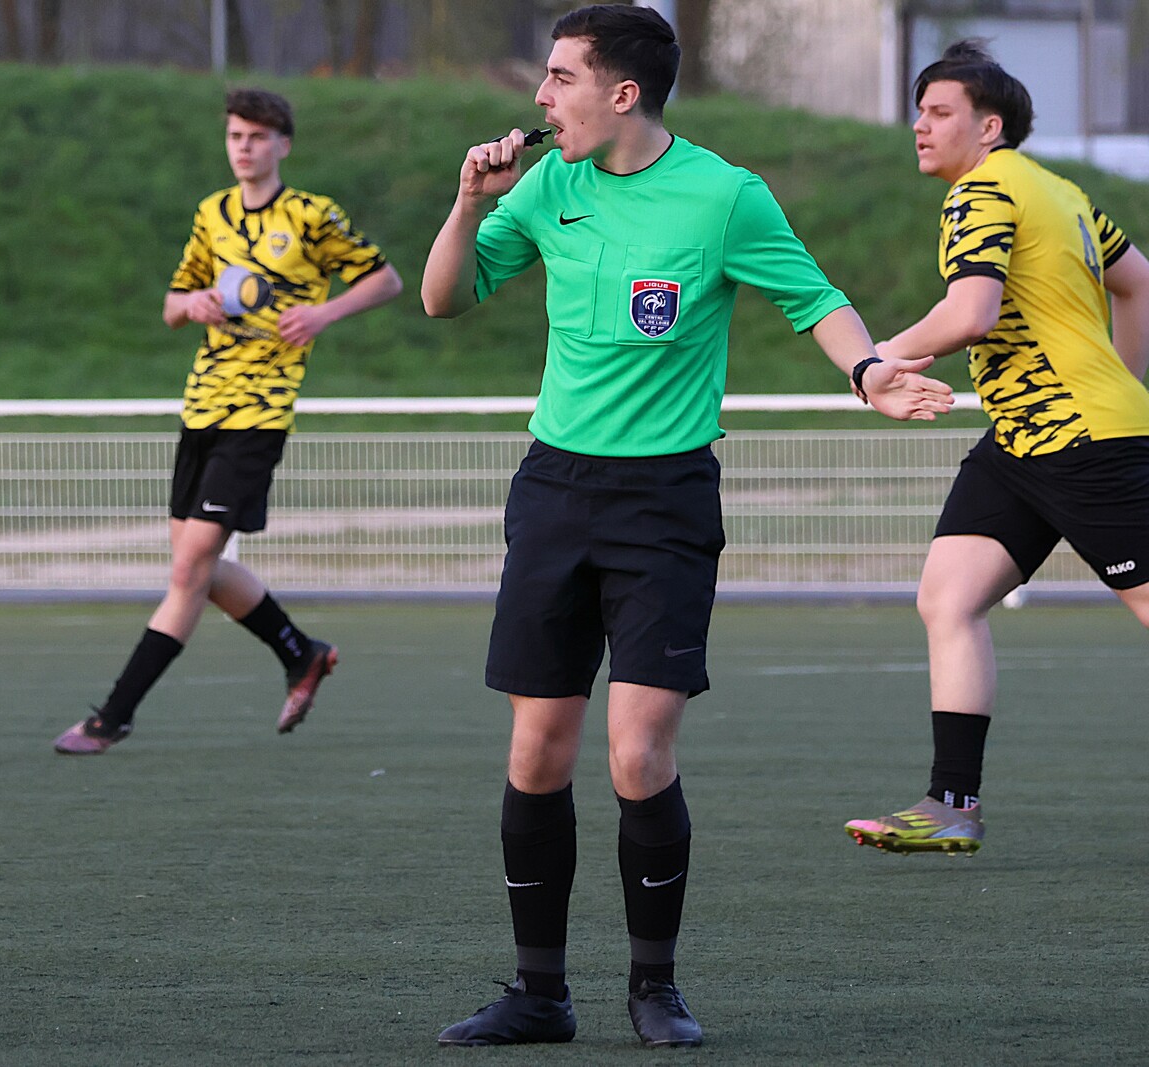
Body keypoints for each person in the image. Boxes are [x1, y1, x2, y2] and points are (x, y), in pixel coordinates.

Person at [419, 3, 953, 1050]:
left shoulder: (724, 195)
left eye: (560, 76)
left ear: (622, 93)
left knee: (638, 752)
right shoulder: (546, 185)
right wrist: (467, 202)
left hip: (664, 501)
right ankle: (539, 993)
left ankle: (654, 986)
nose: (540, 95)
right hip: (554, 489)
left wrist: (868, 370)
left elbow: (814, 298)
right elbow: (446, 298)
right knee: (537, 749)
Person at [843, 42, 1149, 853]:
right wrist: (1120, 381)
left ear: (989, 126)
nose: (919, 125)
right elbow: (1140, 281)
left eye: (939, 112)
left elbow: (971, 313)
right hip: (1024, 439)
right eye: (919, 110)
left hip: (1077, 438)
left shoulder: (981, 190)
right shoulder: (1059, 191)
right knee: (948, 597)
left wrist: (875, 358)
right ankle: (951, 803)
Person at [53, 88, 402, 755]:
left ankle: (113, 716)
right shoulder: (212, 214)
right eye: (236, 136)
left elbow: (385, 280)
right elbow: (171, 304)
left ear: (283, 145)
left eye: (258, 136)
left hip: (259, 412)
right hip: (203, 405)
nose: (244, 147)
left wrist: (324, 313)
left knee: (189, 569)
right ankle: (302, 654)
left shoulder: (311, 215)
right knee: (200, 570)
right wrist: (194, 305)